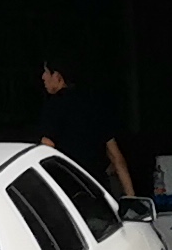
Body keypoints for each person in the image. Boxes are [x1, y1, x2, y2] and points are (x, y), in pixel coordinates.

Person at [34, 63, 136, 198]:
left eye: (46, 72)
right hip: (98, 192)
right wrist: (132, 196)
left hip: (68, 194)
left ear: (58, 76)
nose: (43, 77)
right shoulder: (95, 105)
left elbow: (46, 148)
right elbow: (116, 156)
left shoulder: (54, 106)